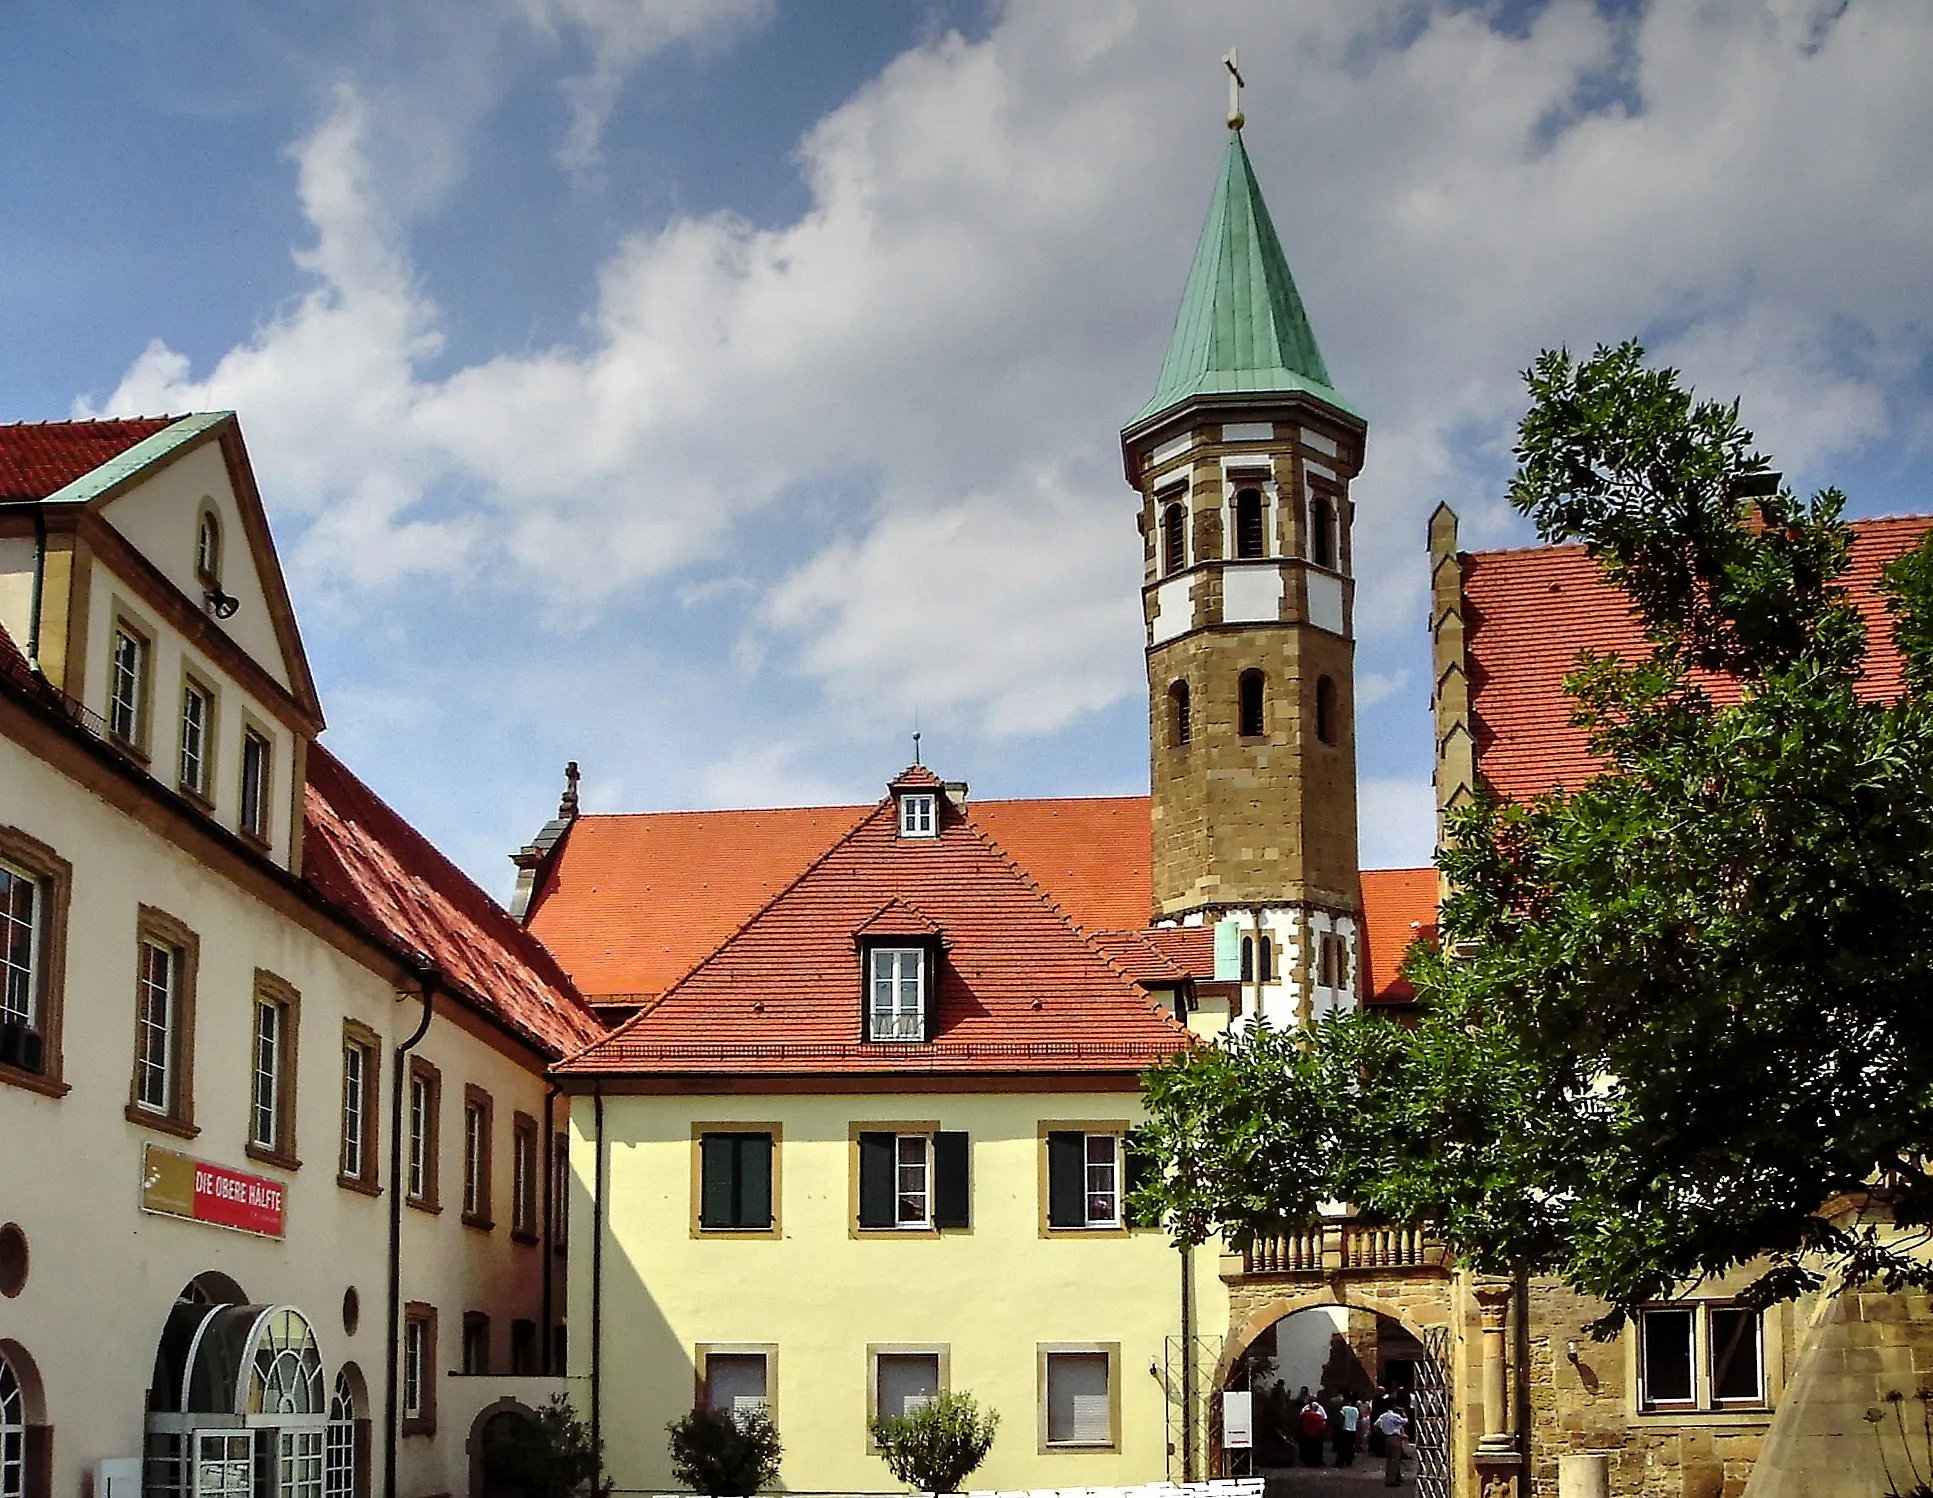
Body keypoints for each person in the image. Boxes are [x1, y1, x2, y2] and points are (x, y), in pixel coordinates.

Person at [1375, 1404, 1410, 1487]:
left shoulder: (1382, 1416)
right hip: (1395, 1437)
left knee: (1389, 1459)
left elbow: (1375, 1426)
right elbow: (1406, 1421)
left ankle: (1390, 1477)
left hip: (1387, 1438)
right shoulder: (1395, 1416)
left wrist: (1382, 1435)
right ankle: (1392, 1480)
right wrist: (1404, 1413)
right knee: (1395, 1459)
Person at [1296, 1396, 1328, 1468]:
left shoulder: (1305, 1415)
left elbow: (1301, 1420)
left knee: (1308, 1449)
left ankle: (1308, 1461)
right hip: (1316, 1434)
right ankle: (1315, 1462)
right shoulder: (1318, 1417)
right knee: (1315, 1449)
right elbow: (1322, 1424)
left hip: (1306, 1433)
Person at [1334, 1394, 1362, 1467]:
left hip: (1345, 1428)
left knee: (1342, 1447)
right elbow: (1359, 1419)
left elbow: (1341, 1418)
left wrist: (1340, 1427)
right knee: (1350, 1446)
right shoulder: (1356, 1409)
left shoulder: (1344, 1408)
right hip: (1353, 1429)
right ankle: (1349, 1461)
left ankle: (1340, 1462)